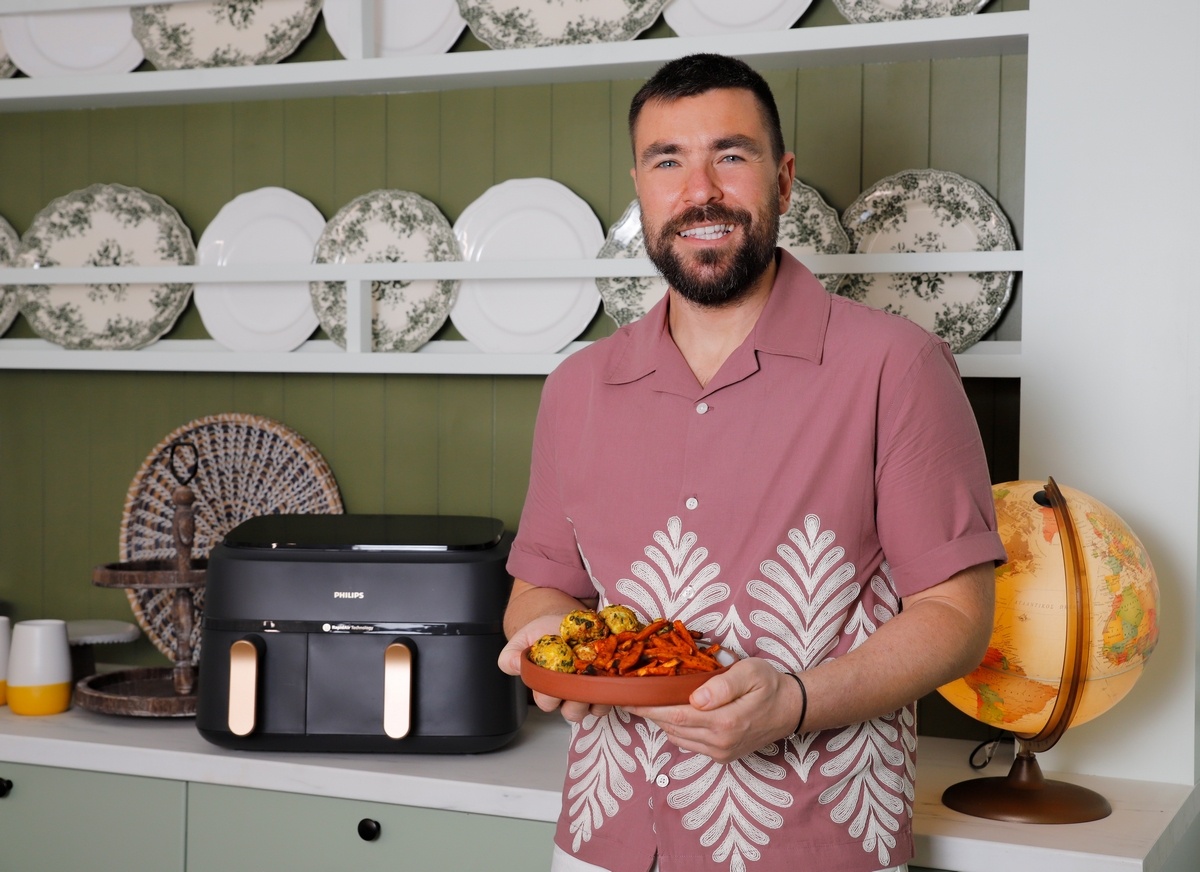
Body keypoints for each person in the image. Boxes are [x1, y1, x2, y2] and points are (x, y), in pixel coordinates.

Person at [497, 52, 1006, 872]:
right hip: (603, 839)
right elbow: (541, 588)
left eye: (730, 155)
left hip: (818, 845)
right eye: (668, 161)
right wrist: (552, 645)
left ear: (784, 179)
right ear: (640, 187)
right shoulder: (576, 387)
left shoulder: (898, 366)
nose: (699, 191)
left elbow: (956, 613)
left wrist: (795, 702)